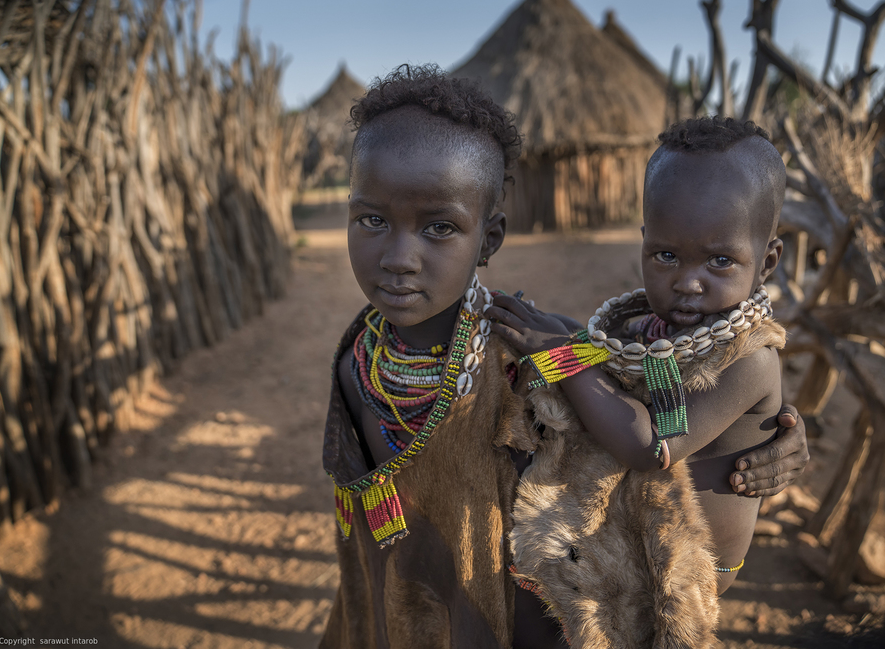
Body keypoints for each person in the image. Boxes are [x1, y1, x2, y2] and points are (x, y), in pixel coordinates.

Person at [320, 66, 806, 649]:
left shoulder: (527, 369)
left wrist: (776, 428)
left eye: (439, 227)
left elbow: (646, 431)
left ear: (489, 239)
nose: (399, 257)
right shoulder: (355, 363)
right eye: (373, 220)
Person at [490, 117, 795, 645]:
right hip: (629, 538)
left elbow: (650, 446)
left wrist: (563, 354)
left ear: (766, 261)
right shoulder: (650, 330)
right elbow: (608, 359)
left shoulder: (751, 360)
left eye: (721, 261)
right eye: (666, 256)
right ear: (644, 244)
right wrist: (554, 329)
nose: (688, 281)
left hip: (683, 574)